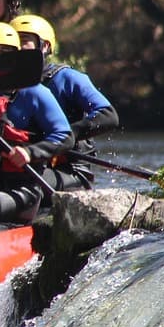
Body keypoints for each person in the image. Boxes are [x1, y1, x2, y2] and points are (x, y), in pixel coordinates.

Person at [0, 22, 72, 225]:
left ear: (15, 57)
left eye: (5, 52)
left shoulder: (34, 92)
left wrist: (29, 153)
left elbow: (65, 136)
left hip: (21, 191)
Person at [11, 14, 119, 193]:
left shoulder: (67, 78)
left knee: (20, 182)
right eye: (14, 41)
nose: (18, 47)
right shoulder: (5, 85)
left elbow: (108, 115)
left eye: (24, 40)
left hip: (70, 170)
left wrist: (64, 138)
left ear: (44, 46)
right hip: (29, 163)